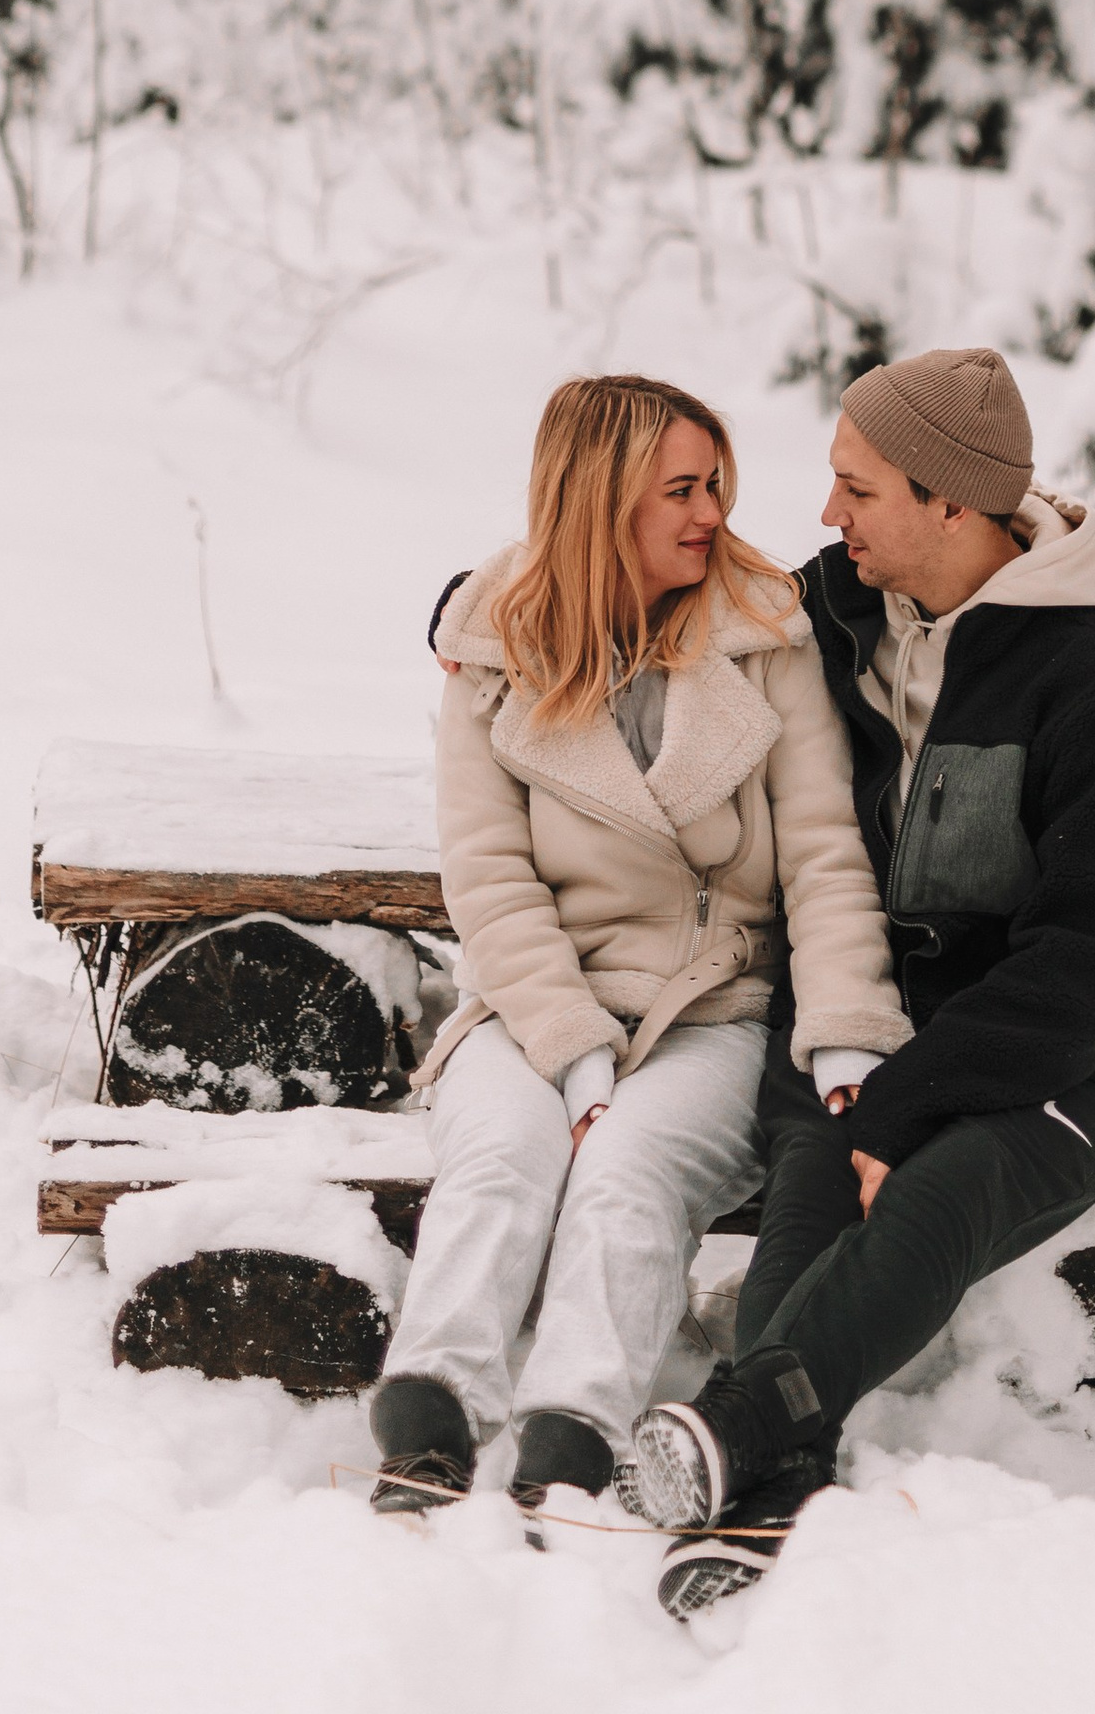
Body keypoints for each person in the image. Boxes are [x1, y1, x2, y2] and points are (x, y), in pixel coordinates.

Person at [627, 343, 1095, 1618]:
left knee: (947, 1187)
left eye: (855, 488)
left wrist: (911, 1100)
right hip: (858, 1013)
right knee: (814, 1180)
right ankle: (768, 1481)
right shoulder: (826, 609)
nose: (827, 516)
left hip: (1069, 1049)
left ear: (946, 499)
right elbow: (613, 601)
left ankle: (736, 1424)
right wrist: (467, 608)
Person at [369, 372, 910, 1523]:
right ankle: (426, 1422)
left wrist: (845, 1034)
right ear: (596, 496)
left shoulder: (766, 632)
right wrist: (568, 1047)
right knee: (502, 1164)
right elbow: (490, 876)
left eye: (716, 483)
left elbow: (821, 855)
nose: (710, 512)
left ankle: (569, 1441)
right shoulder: (493, 641)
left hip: (710, 1009)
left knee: (626, 1178)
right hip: (531, 1004)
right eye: (679, 488)